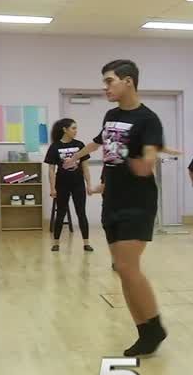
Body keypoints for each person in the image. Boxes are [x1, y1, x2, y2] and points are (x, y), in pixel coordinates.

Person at [64, 59, 168, 357]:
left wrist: (139, 158)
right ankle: (145, 331)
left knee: (126, 266)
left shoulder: (148, 120)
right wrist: (76, 158)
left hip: (138, 202)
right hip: (113, 200)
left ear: (128, 81)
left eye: (109, 81)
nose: (105, 87)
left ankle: (155, 327)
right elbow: (100, 145)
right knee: (123, 270)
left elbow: (146, 163)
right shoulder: (111, 115)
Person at [45, 118, 93, 252]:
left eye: (76, 128)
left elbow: (85, 167)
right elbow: (51, 170)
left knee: (81, 213)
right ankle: (56, 243)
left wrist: (89, 185)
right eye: (73, 128)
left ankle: (86, 243)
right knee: (61, 213)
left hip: (78, 184)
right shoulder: (55, 147)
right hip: (62, 185)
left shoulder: (80, 145)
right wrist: (52, 188)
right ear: (65, 130)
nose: (76, 131)